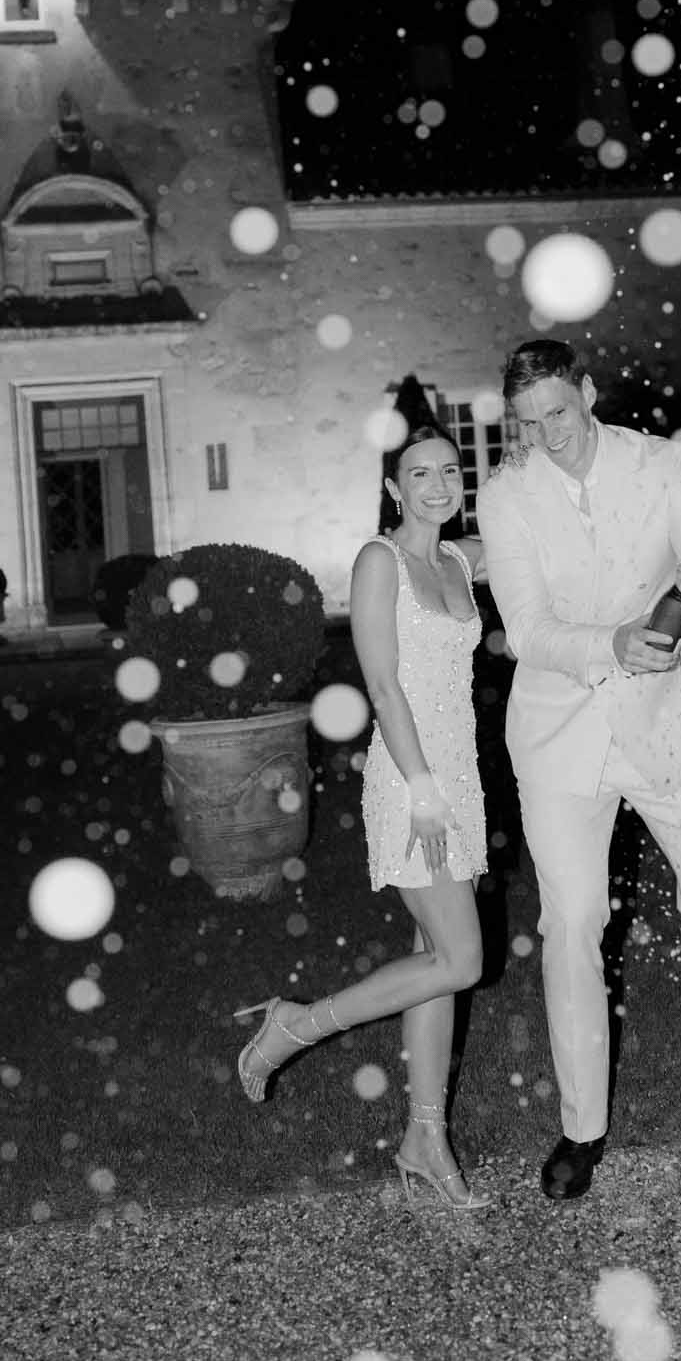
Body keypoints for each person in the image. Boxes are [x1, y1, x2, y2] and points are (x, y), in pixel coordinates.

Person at [475, 338, 681, 1201]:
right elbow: (529, 630)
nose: (547, 434)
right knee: (573, 923)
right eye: (528, 422)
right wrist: (614, 644)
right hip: (561, 735)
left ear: (587, 393)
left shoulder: (666, 464)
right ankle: (581, 1129)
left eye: (558, 411)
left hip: (671, 724)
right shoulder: (506, 495)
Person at [233, 420, 492, 1212]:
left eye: (449, 471)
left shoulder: (460, 559)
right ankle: (296, 1025)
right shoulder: (380, 561)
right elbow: (383, 685)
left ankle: (425, 1141)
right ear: (393, 488)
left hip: (463, 776)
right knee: (462, 961)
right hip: (413, 781)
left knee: (434, 963)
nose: (438, 485)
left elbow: (546, 535)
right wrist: (422, 788)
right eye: (420, 474)